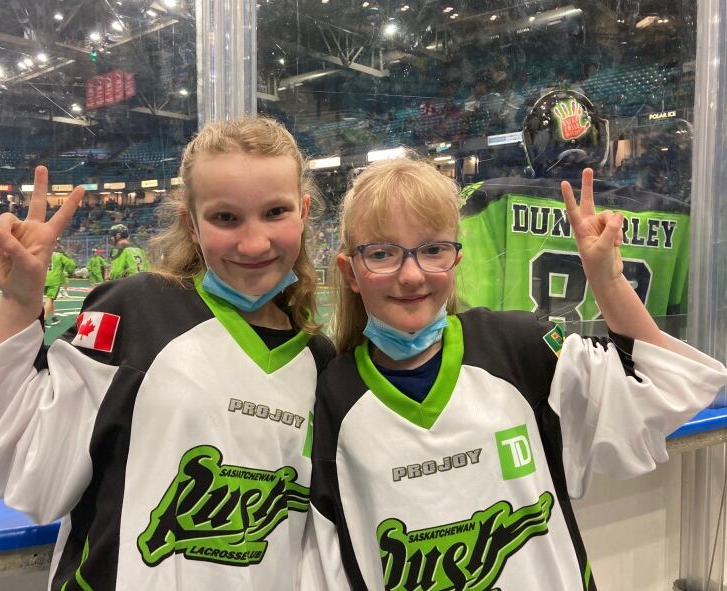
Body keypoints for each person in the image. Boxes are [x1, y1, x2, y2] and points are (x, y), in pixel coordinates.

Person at [0, 117, 334, 589]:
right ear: (192, 224)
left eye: (275, 212)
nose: (253, 242)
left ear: (304, 212)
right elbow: (13, 460)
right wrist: (19, 302)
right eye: (225, 217)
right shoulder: (135, 311)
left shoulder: (321, 360)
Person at [306, 158, 727, 590]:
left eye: (433, 250)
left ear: (457, 258)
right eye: (382, 254)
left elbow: (665, 387)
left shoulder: (521, 348)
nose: (412, 274)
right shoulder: (333, 395)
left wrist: (608, 280)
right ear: (349, 272)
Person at [456, 90, 690, 334]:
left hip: (529, 367)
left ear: (531, 144)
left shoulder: (489, 202)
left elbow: (472, 316)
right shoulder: (676, 217)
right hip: (629, 369)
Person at [43, 241, 76, 326]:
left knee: (50, 300)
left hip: (44, 279)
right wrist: (70, 271)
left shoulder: (43, 255)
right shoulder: (58, 255)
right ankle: (43, 319)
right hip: (55, 280)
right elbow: (71, 264)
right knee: (50, 299)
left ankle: (54, 318)